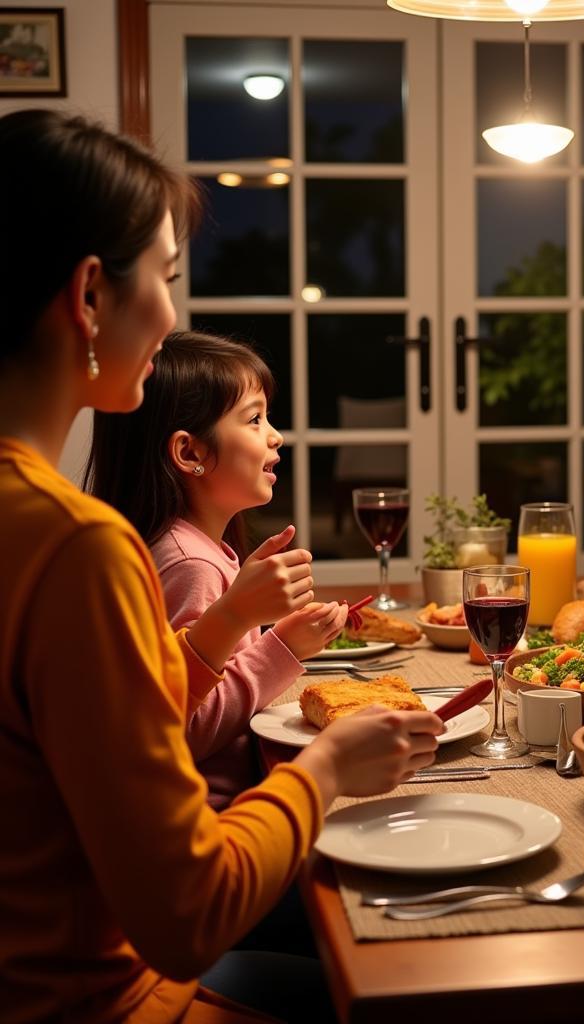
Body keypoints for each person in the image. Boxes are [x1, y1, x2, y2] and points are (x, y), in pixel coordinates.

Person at [0, 109, 442, 1022]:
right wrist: (322, 770)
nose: (170, 309)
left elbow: (115, 720)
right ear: (89, 297)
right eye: (164, 277)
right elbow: (186, 917)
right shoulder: (74, 545)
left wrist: (237, 627)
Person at [87, 330, 346, 810]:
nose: (275, 435)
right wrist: (281, 648)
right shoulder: (191, 564)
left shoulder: (194, 549)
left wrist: (272, 626)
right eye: (254, 419)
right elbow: (187, 730)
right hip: (215, 819)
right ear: (190, 454)